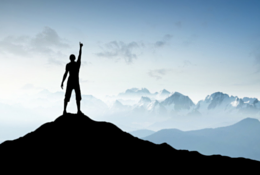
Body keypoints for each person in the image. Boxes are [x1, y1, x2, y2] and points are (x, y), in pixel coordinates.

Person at [61, 42, 83, 114]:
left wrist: (62, 82)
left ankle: (64, 110)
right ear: (74, 58)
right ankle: (78, 111)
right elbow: (80, 55)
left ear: (70, 58)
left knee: (67, 97)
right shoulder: (77, 64)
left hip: (70, 81)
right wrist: (80, 48)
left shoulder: (68, 65)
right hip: (75, 82)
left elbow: (65, 74)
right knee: (77, 97)